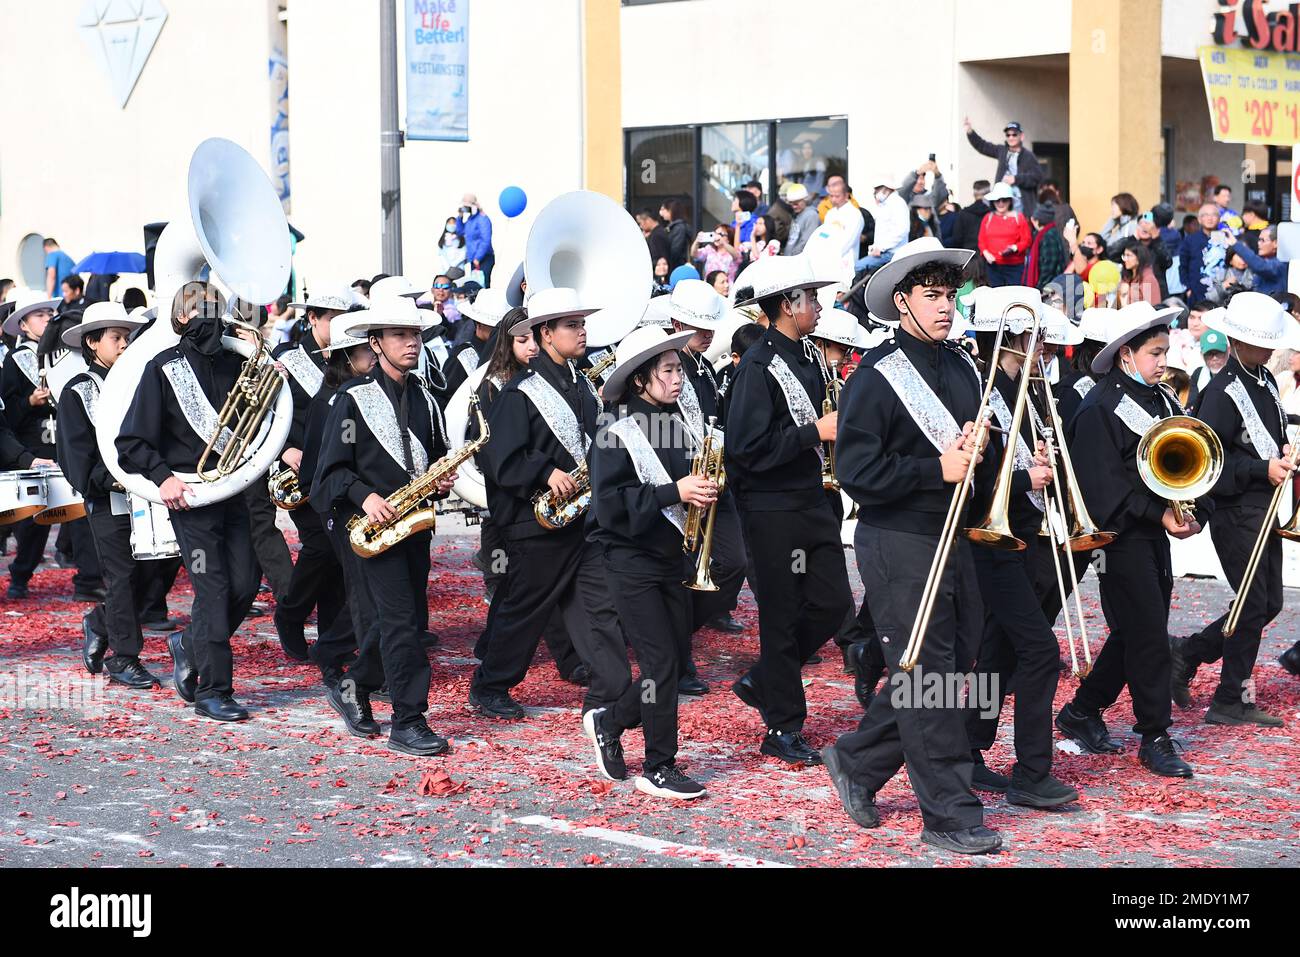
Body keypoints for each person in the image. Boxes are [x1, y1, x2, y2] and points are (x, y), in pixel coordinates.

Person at [820, 236, 1002, 853]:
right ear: (902, 302)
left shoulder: (962, 364)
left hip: (953, 534)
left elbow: (978, 450)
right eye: (933, 296)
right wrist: (936, 471)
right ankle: (950, 813)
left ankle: (858, 760)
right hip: (897, 539)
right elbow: (857, 472)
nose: (947, 307)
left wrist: (988, 446)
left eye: (951, 295)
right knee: (932, 676)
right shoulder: (875, 375)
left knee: (947, 667)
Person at [1054, 301, 1204, 778]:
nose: (1164, 362)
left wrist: (1191, 510)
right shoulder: (1099, 407)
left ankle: (1083, 709)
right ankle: (1154, 734)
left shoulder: (1160, 399)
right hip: (1119, 538)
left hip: (1151, 532)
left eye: (1164, 352)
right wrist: (1157, 513)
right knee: (1147, 635)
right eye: (1155, 353)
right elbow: (1102, 489)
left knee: (1136, 629)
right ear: (1125, 356)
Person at [469, 288, 628, 721]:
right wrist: (544, 472)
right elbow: (499, 459)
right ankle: (490, 685)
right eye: (571, 325)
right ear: (546, 333)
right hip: (534, 523)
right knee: (525, 609)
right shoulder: (520, 391)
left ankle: (610, 682)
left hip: (582, 516)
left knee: (598, 601)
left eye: (581, 323)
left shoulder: (584, 387)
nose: (582, 331)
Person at [310, 297, 456, 754]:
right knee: (400, 623)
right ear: (375, 343)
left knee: (401, 620)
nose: (411, 343)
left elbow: (431, 461)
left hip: (415, 527)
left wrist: (441, 480)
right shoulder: (352, 400)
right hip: (373, 529)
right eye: (399, 335)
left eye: (414, 334)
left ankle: (353, 685)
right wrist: (365, 495)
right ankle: (408, 721)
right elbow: (329, 473)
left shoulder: (427, 401)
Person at [725, 256, 852, 766]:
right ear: (786, 305)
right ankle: (782, 727)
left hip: (811, 499)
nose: (819, 306)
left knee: (832, 602)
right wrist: (812, 433)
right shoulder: (757, 365)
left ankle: (767, 677)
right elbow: (744, 446)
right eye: (811, 298)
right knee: (780, 616)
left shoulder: (810, 357)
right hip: (771, 508)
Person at [115, 283, 261, 722]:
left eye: (216, 307)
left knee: (246, 582)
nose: (212, 315)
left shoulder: (238, 364)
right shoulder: (163, 368)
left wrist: (264, 364)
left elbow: (264, 419)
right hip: (190, 498)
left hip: (231, 490)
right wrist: (163, 478)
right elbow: (131, 440)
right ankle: (212, 690)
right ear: (180, 318)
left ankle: (189, 642)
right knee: (213, 589)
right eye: (201, 309)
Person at [959, 287, 1080, 808]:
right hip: (991, 541)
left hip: (1021, 536)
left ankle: (969, 748)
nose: (1044, 350)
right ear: (1011, 340)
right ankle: (1033, 771)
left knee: (998, 651)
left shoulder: (1022, 390)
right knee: (1041, 651)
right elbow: (979, 475)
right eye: (1036, 340)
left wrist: (1039, 464)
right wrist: (1029, 476)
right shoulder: (983, 390)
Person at [585, 325, 712, 799]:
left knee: (674, 665)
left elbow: (682, 492)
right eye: (669, 370)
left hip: (671, 557)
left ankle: (610, 720)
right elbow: (611, 505)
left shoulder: (678, 425)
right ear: (640, 380)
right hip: (628, 561)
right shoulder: (613, 433)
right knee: (660, 663)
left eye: (680, 369)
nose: (679, 378)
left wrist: (701, 493)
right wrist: (674, 491)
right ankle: (659, 765)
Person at [1172, 293, 1296, 727]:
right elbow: (1211, 460)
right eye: (1261, 343)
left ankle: (1189, 652)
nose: (1269, 351)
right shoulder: (1222, 391)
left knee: (1269, 602)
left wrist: (1282, 455)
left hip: (1264, 507)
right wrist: (1262, 467)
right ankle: (1229, 697)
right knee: (1252, 603)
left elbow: (1265, 438)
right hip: (1235, 508)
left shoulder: (1261, 379)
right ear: (1239, 342)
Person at [56, 303, 172, 688]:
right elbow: (76, 455)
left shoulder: (137, 380)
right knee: (122, 574)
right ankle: (124, 658)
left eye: (126, 337)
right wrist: (114, 479)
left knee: (150, 572)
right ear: (92, 343)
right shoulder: (78, 390)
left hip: (148, 494)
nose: (124, 345)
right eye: (115, 338)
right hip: (108, 498)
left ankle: (100, 621)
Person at [667, 280, 748, 678]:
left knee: (734, 562)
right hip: (680, 482)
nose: (708, 333)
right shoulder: (662, 366)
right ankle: (676, 654)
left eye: (710, 326)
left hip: (714, 480)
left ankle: (680, 631)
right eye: (699, 327)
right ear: (676, 321)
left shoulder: (704, 369)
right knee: (680, 572)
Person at [267, 290, 351, 660]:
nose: (337, 324)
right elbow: (265, 413)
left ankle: (333, 635)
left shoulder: (351, 356)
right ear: (313, 318)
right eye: (331, 316)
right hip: (298, 467)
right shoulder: (287, 358)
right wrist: (285, 449)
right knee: (320, 545)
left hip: (338, 467)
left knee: (338, 550)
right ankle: (291, 612)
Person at [295, 316, 372, 688]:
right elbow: (321, 466)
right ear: (345, 356)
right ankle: (333, 650)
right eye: (364, 350)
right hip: (338, 506)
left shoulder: (358, 392)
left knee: (355, 588)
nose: (372, 355)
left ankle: (341, 650)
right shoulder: (331, 401)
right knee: (361, 589)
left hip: (356, 503)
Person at [1, 289, 62, 599]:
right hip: (29, 447)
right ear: (23, 325)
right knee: (31, 519)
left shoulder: (60, 356)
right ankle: (20, 575)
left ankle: (89, 576)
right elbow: (6, 413)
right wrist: (28, 401)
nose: (47, 320)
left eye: (49, 314)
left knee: (58, 516)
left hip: (59, 446)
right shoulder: (15, 360)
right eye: (40, 315)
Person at [963, 119, 1043, 217]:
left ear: (1021, 136)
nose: (1011, 137)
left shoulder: (1028, 156)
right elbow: (983, 146)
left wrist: (1016, 179)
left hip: (1020, 206)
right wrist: (970, 132)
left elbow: (1037, 176)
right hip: (1001, 203)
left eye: (1014, 134)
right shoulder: (1002, 151)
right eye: (1008, 135)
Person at [854, 174, 911, 273]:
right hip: (883, 252)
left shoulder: (897, 204)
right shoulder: (886, 205)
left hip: (891, 253)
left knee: (859, 267)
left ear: (887, 188)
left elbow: (902, 230)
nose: (875, 192)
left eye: (877, 189)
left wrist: (881, 248)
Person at [977, 182, 1030, 287]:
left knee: (1013, 297)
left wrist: (1014, 248)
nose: (1000, 203)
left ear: (1010, 201)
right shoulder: (988, 218)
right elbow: (981, 241)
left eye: (1004, 200)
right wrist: (986, 253)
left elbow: (1027, 240)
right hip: (993, 266)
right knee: (996, 296)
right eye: (997, 200)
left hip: (1014, 266)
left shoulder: (1018, 218)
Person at [1228, 225, 1285, 297]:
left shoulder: (1280, 264)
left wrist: (1235, 243)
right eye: (1259, 240)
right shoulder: (1264, 260)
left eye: (1263, 240)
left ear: (1275, 243)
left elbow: (1260, 266)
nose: (1259, 243)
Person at [1023, 202, 1067, 292]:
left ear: (1037, 221)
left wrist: (1040, 287)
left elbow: (1049, 265)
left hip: (1048, 287)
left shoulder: (1048, 236)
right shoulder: (1044, 234)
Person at [456, 193, 495, 286]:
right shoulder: (470, 219)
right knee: (474, 286)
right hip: (474, 259)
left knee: (483, 286)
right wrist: (459, 218)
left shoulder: (482, 219)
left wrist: (478, 257)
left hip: (484, 258)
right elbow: (460, 232)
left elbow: (486, 240)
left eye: (467, 207)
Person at [951, 181, 991, 265]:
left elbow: (957, 239)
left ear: (974, 194)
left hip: (969, 257)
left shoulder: (964, 214)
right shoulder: (992, 214)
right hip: (989, 258)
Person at [783, 184, 823, 257]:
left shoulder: (811, 215)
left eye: (796, 203)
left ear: (805, 199)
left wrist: (792, 257)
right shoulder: (797, 214)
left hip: (799, 261)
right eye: (791, 203)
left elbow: (806, 242)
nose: (794, 206)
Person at [659, 198, 691, 270]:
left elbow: (676, 251)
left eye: (663, 209)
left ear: (671, 210)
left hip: (678, 266)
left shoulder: (679, 228)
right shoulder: (672, 227)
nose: (661, 213)